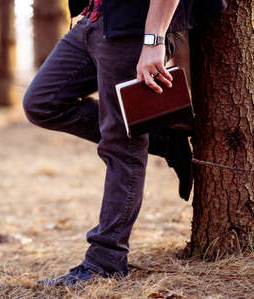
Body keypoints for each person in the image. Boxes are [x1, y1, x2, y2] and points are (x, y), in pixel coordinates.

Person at [23, 0, 227, 287]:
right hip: (95, 18)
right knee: (42, 103)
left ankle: (105, 260)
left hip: (136, 26)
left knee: (121, 144)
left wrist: (153, 39)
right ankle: (164, 139)